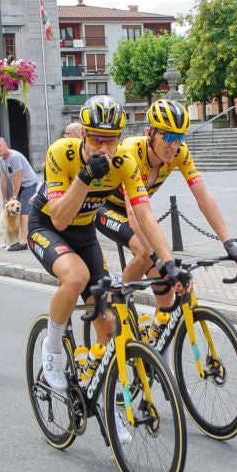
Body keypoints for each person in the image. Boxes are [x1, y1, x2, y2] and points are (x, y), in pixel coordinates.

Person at [27, 96, 188, 411]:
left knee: (109, 325)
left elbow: (144, 215)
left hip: (84, 233)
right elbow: (59, 217)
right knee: (76, 277)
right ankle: (52, 345)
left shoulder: (124, 163)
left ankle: (107, 402)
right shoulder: (62, 152)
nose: (104, 147)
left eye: (111, 140)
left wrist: (167, 264)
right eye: (98, 139)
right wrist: (85, 177)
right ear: (85, 135)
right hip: (47, 226)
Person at [95, 98, 237, 324]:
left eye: (179, 138)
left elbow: (203, 197)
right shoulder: (131, 151)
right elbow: (134, 216)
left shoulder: (180, 153)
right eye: (168, 136)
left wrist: (229, 243)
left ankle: (157, 354)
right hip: (106, 207)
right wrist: (164, 260)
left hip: (137, 210)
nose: (174, 145)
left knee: (165, 291)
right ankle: (116, 299)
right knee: (144, 250)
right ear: (150, 132)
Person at [0, 136, 41, 250]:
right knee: (13, 212)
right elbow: (3, 180)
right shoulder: (0, 161)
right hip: (20, 185)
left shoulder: (14, 156)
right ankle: (16, 239)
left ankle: (24, 242)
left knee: (23, 212)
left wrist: (14, 196)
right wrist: (4, 198)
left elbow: (17, 177)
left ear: (5, 145)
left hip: (29, 184)